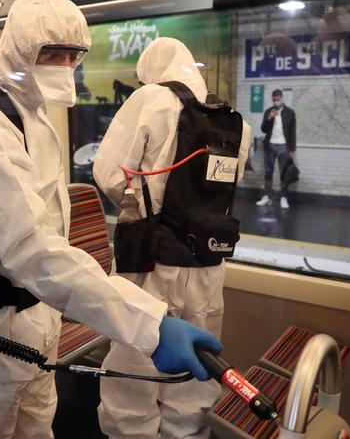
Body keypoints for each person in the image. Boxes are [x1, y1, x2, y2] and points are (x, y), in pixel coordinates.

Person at [0, 0, 222, 439]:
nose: (63, 65)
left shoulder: (35, 119)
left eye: (72, 55)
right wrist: (150, 326)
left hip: (34, 323)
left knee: (38, 427)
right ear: (18, 49)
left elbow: (46, 241)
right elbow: (35, 252)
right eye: (50, 53)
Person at [93, 37, 251, 439]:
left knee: (134, 366)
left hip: (150, 258)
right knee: (196, 367)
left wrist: (136, 205)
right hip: (208, 263)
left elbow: (109, 173)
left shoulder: (151, 99)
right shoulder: (234, 121)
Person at [256, 89, 296, 209]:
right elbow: (263, 129)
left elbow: (292, 132)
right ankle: (267, 196)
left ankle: (284, 197)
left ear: (281, 98)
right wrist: (269, 118)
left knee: (283, 172)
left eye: (278, 99)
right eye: (274, 100)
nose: (276, 102)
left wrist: (292, 149)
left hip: (283, 146)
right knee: (268, 172)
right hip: (270, 145)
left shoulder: (289, 112)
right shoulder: (269, 111)